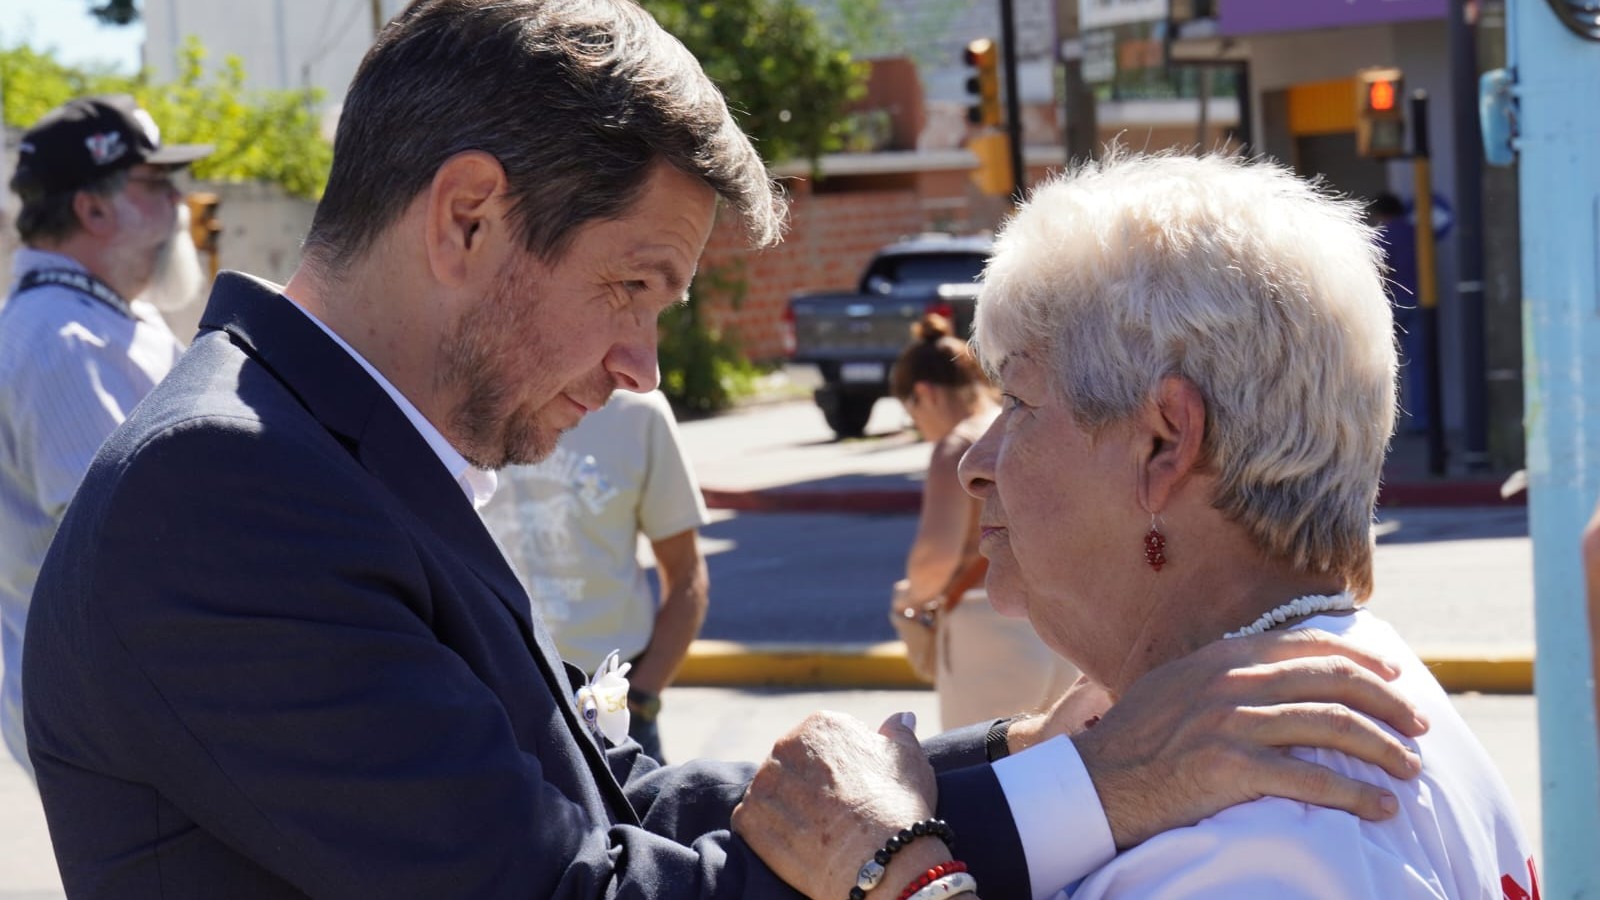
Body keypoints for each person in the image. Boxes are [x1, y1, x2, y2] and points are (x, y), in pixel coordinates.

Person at [25, 4, 1429, 898]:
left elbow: (610, 803)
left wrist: (1024, 752)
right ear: (465, 219)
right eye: (631, 286)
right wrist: (1107, 788)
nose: (642, 365)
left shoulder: (317, 455)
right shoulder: (227, 496)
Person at [740, 151, 1535, 899]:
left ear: (1164, 442)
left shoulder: (1258, 836)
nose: (974, 465)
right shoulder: (1360, 692)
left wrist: (898, 871)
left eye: (1017, 404)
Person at [0, 94, 210, 782]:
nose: (180, 202)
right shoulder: (67, 343)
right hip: (125, 734)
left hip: (130, 719)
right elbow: (132, 555)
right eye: (156, 184)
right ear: (92, 210)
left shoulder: (96, 318)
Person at [480, 388, 709, 760]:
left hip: (613, 709)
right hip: (493, 704)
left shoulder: (637, 413)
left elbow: (686, 574)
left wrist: (641, 696)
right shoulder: (460, 398)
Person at [890, 313, 1076, 729]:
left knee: (981, 776)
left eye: (912, 413)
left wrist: (909, 597)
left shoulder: (957, 446)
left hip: (989, 631)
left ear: (924, 394)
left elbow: (934, 559)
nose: (921, 428)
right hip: (1062, 625)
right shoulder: (1027, 423)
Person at [1371, 190, 1428, 434]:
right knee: (1418, 365)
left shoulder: (1382, 235)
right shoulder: (1418, 233)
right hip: (1422, 302)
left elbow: (1377, 269)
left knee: (1380, 364)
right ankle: (1421, 421)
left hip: (1391, 305)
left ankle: (1384, 423)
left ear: (1380, 214)